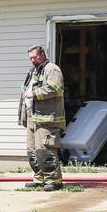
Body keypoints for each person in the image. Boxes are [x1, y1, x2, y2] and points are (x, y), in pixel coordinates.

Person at [21, 45, 65, 191]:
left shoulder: (52, 69)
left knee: (45, 149)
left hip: (46, 118)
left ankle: (54, 180)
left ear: (42, 55)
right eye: (30, 58)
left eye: (34, 57)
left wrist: (34, 94)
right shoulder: (34, 71)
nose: (32, 60)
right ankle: (39, 178)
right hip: (32, 116)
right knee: (32, 150)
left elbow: (56, 88)